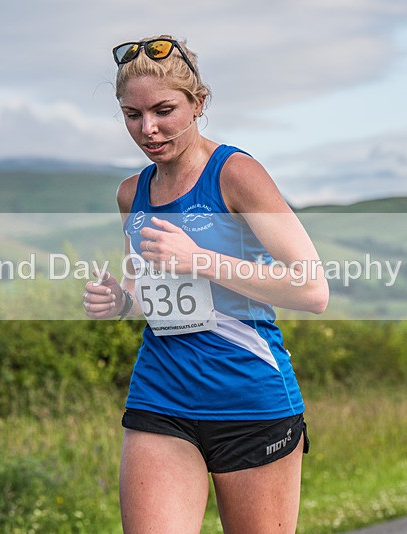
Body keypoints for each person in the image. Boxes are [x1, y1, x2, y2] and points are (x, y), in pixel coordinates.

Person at [83, 34, 329, 533]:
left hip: (249, 397)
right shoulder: (132, 193)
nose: (148, 129)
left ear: (198, 104)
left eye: (163, 110)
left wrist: (201, 259)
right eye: (132, 115)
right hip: (160, 395)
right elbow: (145, 291)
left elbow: (312, 289)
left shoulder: (236, 174)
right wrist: (120, 301)